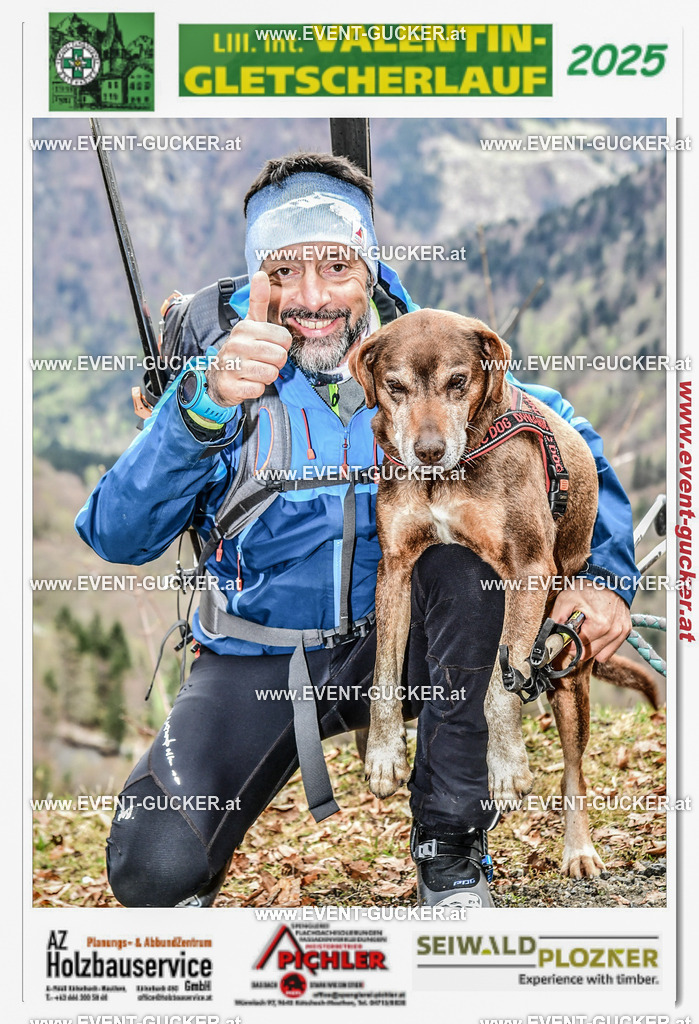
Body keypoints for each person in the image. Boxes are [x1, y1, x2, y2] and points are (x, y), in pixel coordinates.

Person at [75, 151, 638, 909]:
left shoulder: (423, 350)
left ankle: (450, 853)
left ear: (367, 267)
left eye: (336, 266)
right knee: (154, 869)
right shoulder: (213, 373)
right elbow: (116, 534)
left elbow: (562, 437)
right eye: (283, 270)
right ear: (255, 278)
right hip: (258, 657)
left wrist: (601, 579)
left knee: (464, 573)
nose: (312, 296)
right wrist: (197, 412)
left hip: (407, 643)